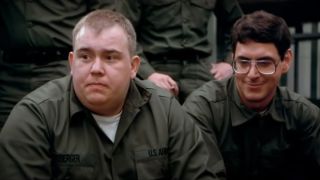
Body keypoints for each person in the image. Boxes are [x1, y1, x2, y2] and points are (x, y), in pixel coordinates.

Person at [0, 9, 225, 179]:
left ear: (134, 67)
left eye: (110, 57)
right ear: (71, 62)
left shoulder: (166, 113)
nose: (96, 68)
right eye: (85, 56)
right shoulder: (34, 117)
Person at [183, 10, 320, 179]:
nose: (252, 74)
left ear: (286, 61)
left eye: (264, 63)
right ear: (232, 59)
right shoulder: (203, 109)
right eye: (243, 62)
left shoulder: (304, 115)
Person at [0, 0, 116, 130]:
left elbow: (106, 19)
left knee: (68, 133)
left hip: (62, 67)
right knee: (8, 137)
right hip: (10, 75)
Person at [119, 0, 243, 102]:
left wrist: (229, 62)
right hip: (156, 66)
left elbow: (238, 24)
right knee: (155, 113)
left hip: (199, 68)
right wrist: (149, 74)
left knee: (218, 107)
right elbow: (124, 32)